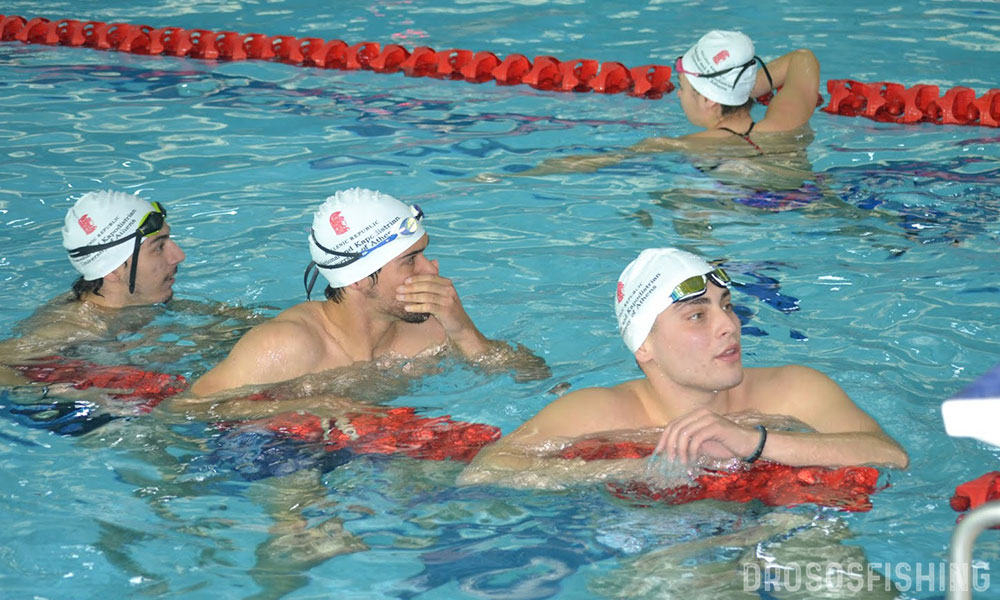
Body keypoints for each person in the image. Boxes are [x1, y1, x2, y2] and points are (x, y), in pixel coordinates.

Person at [460, 247, 907, 489]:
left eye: (726, 306)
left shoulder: (794, 389)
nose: (729, 326)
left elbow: (892, 456)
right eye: (698, 315)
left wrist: (753, 442)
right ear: (645, 347)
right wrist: (646, 468)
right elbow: (484, 471)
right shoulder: (601, 413)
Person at [188, 187, 547, 399]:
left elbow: (534, 379)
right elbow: (185, 412)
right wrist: (314, 407)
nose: (431, 269)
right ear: (358, 279)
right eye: (411, 260)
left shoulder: (431, 329)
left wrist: (465, 332)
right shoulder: (286, 346)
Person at [0, 189, 186, 385]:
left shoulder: (138, 304)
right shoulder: (70, 329)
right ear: (113, 269)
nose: (178, 255)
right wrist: (50, 391)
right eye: (159, 247)